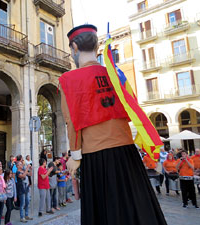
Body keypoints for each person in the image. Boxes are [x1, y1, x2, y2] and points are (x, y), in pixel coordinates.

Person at [60, 24, 167, 225]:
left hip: (96, 155)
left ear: (74, 47)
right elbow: (131, 106)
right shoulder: (117, 74)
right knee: (138, 210)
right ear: (97, 46)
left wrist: (75, 156)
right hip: (127, 152)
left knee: (104, 213)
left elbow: (71, 121)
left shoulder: (68, 79)